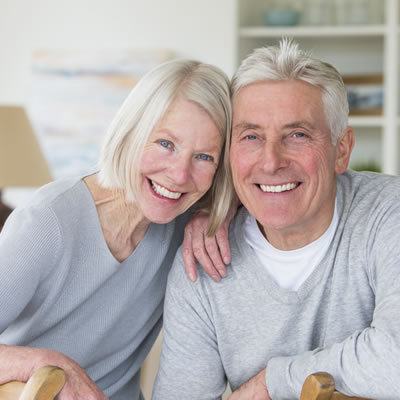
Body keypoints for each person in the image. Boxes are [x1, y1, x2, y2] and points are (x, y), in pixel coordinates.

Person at [153, 39, 400, 400]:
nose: (270, 162)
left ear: (341, 150)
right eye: (251, 136)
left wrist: (275, 381)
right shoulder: (203, 263)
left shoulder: (387, 214)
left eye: (297, 135)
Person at [0, 58, 233, 400]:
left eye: (204, 157)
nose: (179, 175)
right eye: (165, 144)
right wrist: (49, 363)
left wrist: (218, 211)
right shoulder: (46, 222)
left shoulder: (184, 223)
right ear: (131, 132)